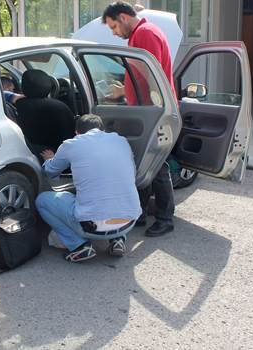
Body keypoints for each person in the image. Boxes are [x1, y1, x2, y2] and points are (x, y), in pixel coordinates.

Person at [103, 1, 176, 237]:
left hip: (153, 110)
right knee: (142, 161)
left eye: (114, 27)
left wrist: (123, 92)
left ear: (124, 18)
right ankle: (140, 212)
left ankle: (165, 218)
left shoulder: (144, 33)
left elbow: (151, 77)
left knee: (157, 164)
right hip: (146, 109)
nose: (114, 33)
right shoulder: (142, 31)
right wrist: (124, 90)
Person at [36, 114, 141, 263]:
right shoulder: (121, 141)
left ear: (77, 132)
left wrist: (48, 160)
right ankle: (118, 239)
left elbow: (50, 171)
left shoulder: (71, 144)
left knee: (42, 200)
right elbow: (131, 174)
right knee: (117, 192)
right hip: (129, 222)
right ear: (102, 129)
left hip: (91, 227)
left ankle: (79, 246)